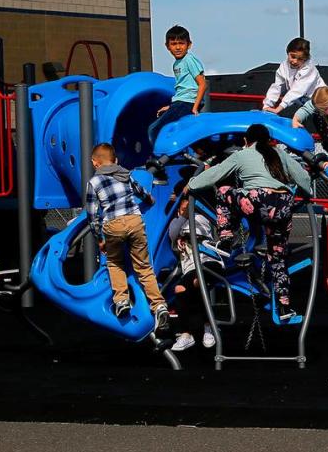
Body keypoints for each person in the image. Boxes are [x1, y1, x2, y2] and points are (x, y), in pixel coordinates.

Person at [184, 124, 311, 321]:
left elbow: (215, 173)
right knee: (278, 258)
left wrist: (191, 185)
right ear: (270, 140)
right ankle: (285, 307)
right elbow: (303, 177)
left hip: (259, 200)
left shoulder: (243, 154)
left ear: (246, 141)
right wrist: (306, 193)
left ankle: (225, 237)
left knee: (225, 190)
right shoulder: (279, 153)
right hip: (283, 206)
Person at [85, 143, 169, 328]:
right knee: (144, 267)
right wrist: (149, 199)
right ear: (115, 160)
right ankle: (159, 305)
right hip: (134, 220)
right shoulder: (125, 174)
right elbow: (140, 191)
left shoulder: (94, 182)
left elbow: (92, 214)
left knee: (115, 263)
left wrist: (99, 239)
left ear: (95, 163)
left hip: (113, 224)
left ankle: (122, 300)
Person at [167, 197, 222, 352]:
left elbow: (210, 231)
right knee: (180, 289)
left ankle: (207, 326)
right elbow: (172, 233)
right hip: (191, 267)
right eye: (184, 209)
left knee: (199, 282)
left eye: (191, 208)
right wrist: (183, 217)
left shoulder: (202, 218)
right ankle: (188, 333)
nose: (188, 211)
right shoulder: (176, 224)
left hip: (209, 262)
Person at [148, 25, 206, 145]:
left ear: (189, 45)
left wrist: (195, 107)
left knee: (155, 129)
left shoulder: (189, 60)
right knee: (171, 128)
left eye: (181, 43)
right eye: (174, 44)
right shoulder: (177, 63)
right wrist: (171, 106)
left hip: (188, 102)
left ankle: (160, 157)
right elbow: (183, 88)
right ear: (167, 46)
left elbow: (202, 84)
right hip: (181, 102)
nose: (178, 47)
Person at [261, 38, 325, 117]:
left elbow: (297, 90)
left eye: (300, 59)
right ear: (287, 52)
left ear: (305, 59)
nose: (295, 61)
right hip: (305, 106)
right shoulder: (284, 67)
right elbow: (277, 87)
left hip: (322, 103)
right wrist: (267, 105)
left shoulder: (309, 69)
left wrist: (279, 108)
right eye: (293, 56)